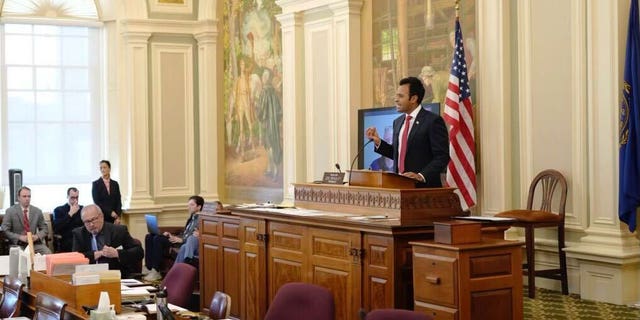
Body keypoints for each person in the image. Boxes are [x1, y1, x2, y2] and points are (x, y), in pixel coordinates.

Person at [365, 76, 450, 188]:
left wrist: (421, 176)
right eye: (396, 96)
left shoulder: (433, 121)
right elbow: (398, 154)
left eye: (400, 96)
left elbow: (442, 157)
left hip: (424, 189)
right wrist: (378, 142)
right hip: (399, 187)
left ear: (413, 98)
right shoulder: (398, 122)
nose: (396, 99)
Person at [143, 196, 207, 281]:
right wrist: (173, 235)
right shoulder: (191, 217)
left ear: (199, 207)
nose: (189, 207)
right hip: (180, 240)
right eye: (188, 205)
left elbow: (194, 237)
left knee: (158, 239)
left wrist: (182, 240)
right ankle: (149, 267)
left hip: (184, 243)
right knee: (150, 236)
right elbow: (185, 232)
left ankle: (155, 271)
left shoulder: (201, 220)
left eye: (192, 205)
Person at [72, 204, 143, 278]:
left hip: (114, 277)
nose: (91, 224)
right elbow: (75, 258)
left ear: (101, 216)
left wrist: (117, 253)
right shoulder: (79, 234)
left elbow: (139, 252)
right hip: (88, 277)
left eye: (93, 219)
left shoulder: (118, 231)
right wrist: (95, 254)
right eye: (87, 222)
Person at [1, 186, 51, 254]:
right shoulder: (10, 211)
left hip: (34, 244)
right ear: (18, 198)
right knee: (20, 258)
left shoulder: (37, 211)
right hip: (17, 244)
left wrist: (37, 236)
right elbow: (5, 230)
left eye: (29, 196)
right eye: (24, 196)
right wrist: (19, 237)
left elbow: (45, 229)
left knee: (48, 253)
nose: (27, 199)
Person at [53, 187, 84, 252]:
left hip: (81, 236)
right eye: (72, 197)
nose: (75, 200)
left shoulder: (82, 209)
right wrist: (70, 214)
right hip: (67, 238)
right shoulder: (59, 210)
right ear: (67, 196)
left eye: (77, 197)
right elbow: (56, 227)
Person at [92, 160, 122, 224]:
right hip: (103, 218)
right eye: (101, 168)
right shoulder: (95, 184)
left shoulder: (115, 183)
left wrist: (118, 217)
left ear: (109, 169)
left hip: (115, 219)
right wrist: (110, 212)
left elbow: (118, 201)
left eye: (104, 167)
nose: (102, 170)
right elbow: (97, 202)